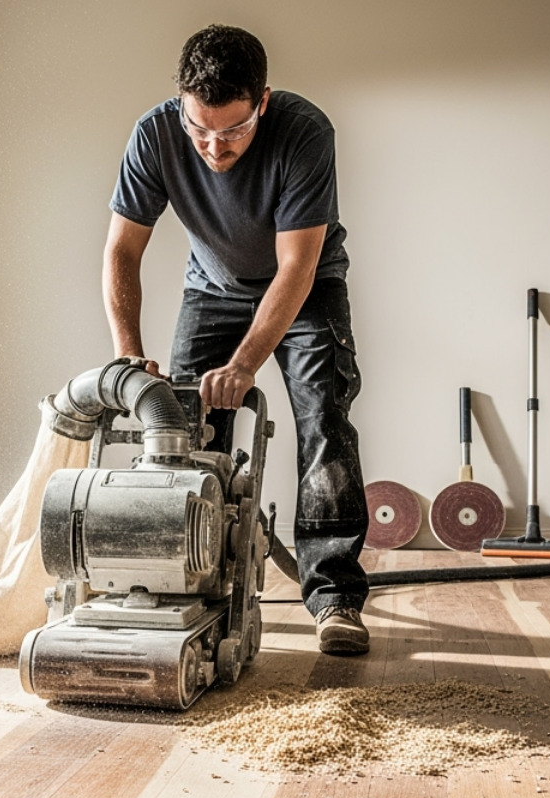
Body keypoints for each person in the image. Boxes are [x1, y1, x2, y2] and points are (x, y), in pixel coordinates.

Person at [103, 24, 370, 655]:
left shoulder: (305, 131)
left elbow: (296, 267)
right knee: (184, 431)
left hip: (306, 288)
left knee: (323, 418)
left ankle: (333, 596)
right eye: (199, 128)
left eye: (233, 130)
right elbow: (122, 250)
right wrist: (126, 354)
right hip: (212, 289)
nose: (213, 148)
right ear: (181, 103)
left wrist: (246, 361)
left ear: (264, 103)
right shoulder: (156, 133)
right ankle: (195, 581)